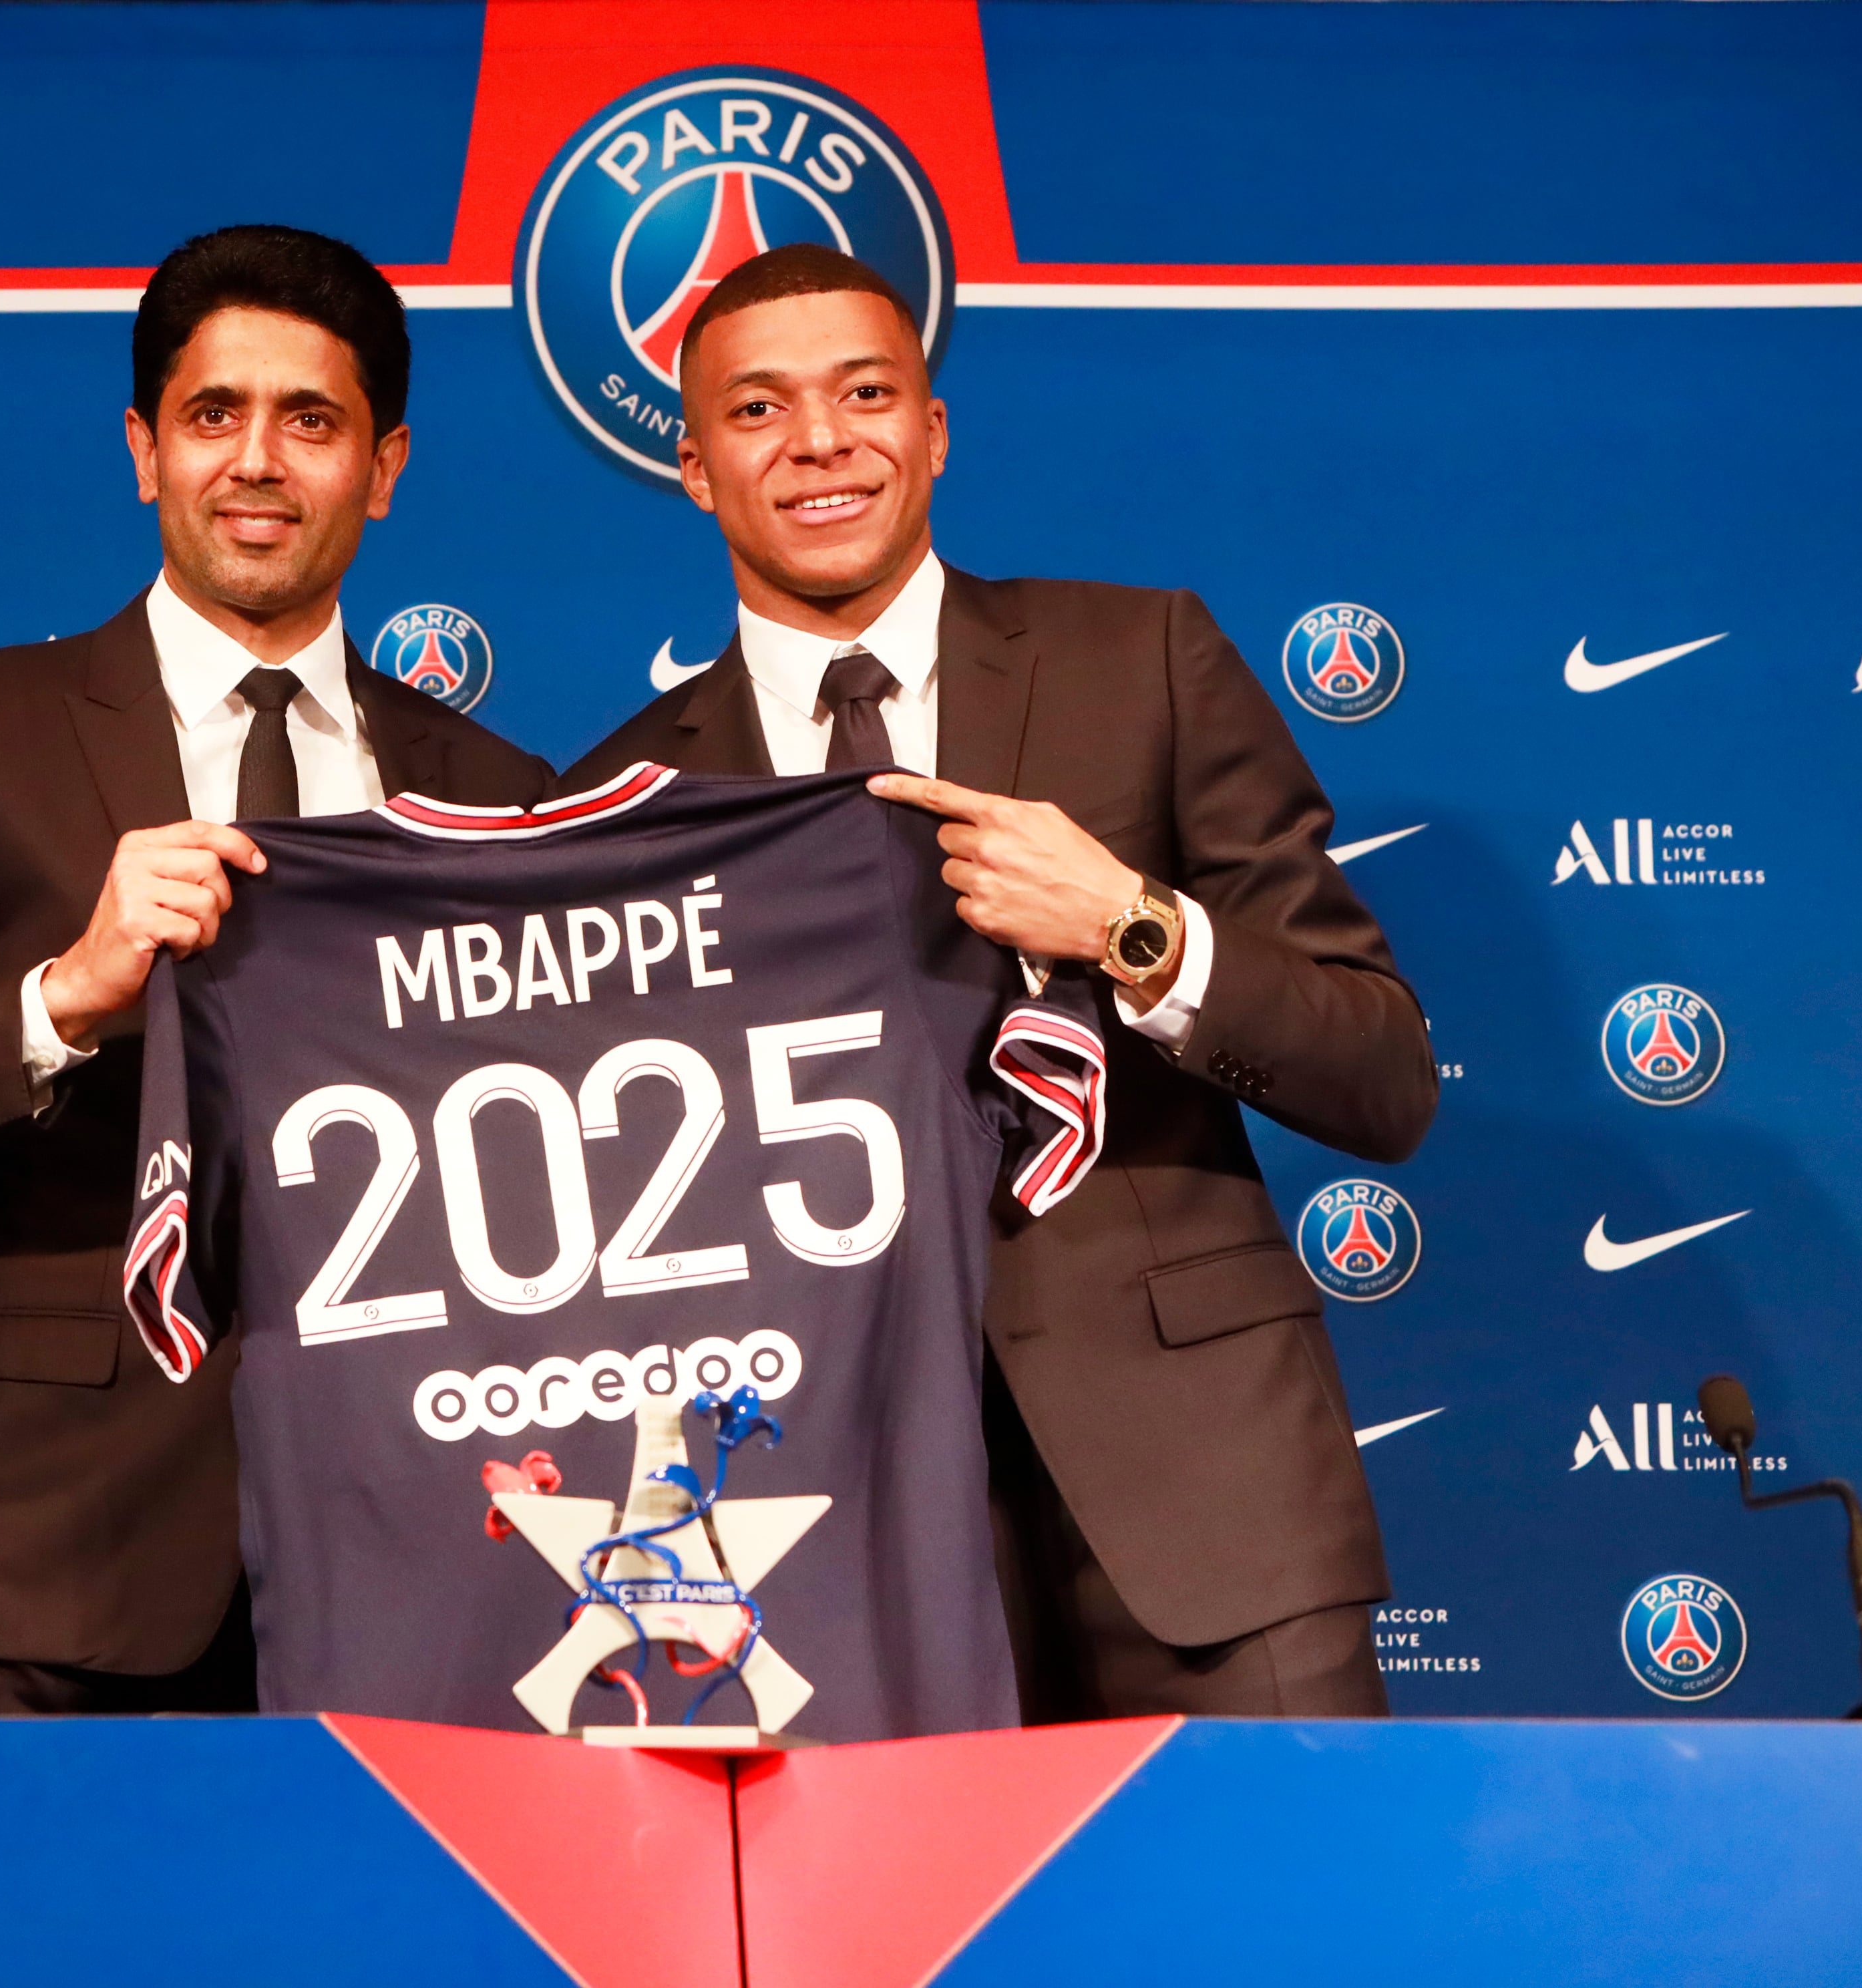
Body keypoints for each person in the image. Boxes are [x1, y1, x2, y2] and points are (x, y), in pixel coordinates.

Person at [564, 244, 1437, 1719]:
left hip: (1205, 1501)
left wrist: (1133, 924)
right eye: (760, 411)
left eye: (865, 393)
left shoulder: (1143, 657)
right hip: (829, 1538)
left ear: (935, 429)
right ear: (698, 467)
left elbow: (1383, 1074)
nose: (822, 441)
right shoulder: (622, 799)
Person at [0, 224, 551, 1717]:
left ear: (383, 470)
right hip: (46, 1569)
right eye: (213, 416)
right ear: (143, 450)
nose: (257, 461)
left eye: (311, 422)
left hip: (419, 1562)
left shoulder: (499, 790)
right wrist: (65, 1000)